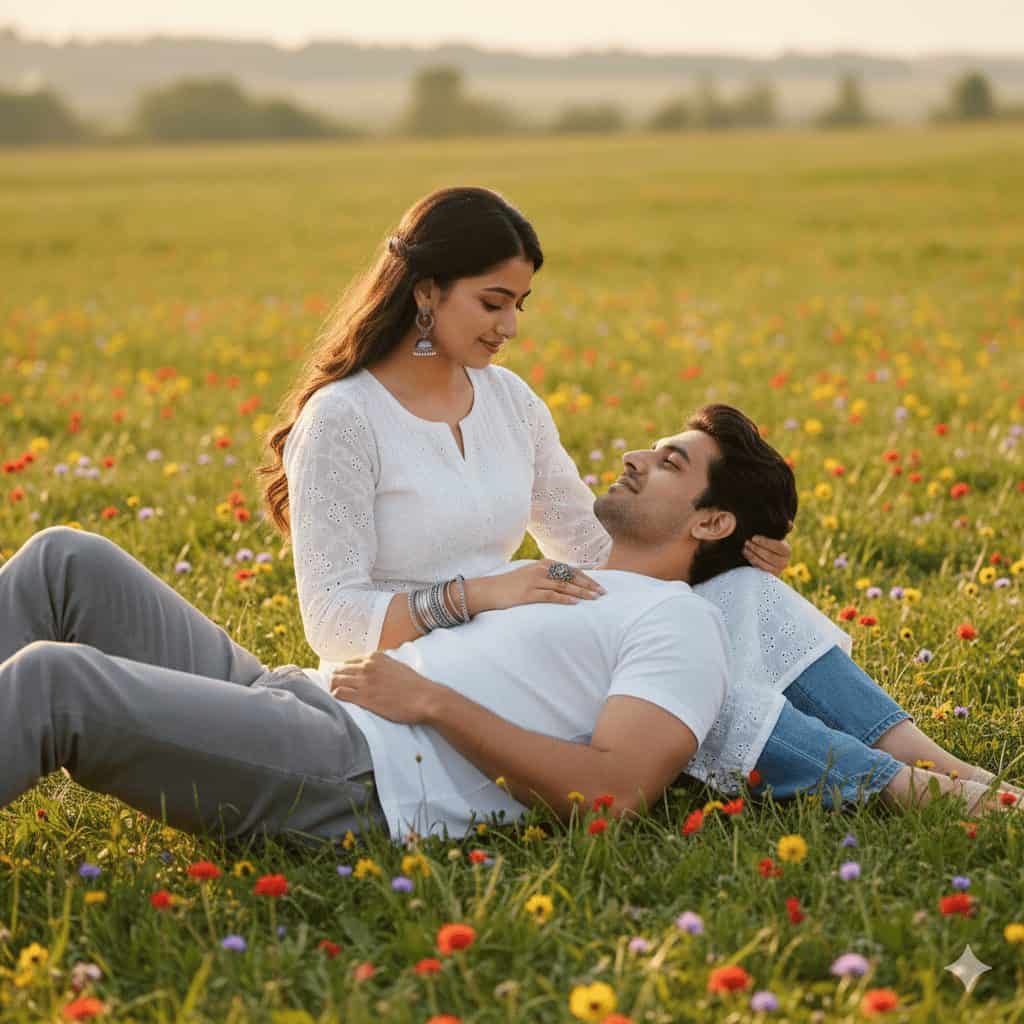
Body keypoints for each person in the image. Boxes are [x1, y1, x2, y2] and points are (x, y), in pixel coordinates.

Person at [259, 184, 1019, 821]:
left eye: (521, 303)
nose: (512, 326)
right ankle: (908, 792)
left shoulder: (508, 403)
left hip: (518, 632)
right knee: (685, 656)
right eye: (494, 303)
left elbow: (591, 548)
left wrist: (717, 556)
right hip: (426, 664)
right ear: (427, 292)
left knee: (736, 599)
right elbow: (332, 623)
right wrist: (481, 594)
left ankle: (944, 767)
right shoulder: (345, 419)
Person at [1, 406, 1018, 849]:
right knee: (65, 558)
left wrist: (433, 700)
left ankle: (948, 783)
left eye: (666, 462)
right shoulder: (567, 573)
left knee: (55, 683)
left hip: (354, 769)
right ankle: (945, 779)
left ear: (709, 521)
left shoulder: (682, 628)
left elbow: (612, 795)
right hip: (301, 695)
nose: (632, 459)